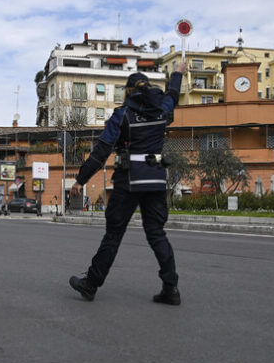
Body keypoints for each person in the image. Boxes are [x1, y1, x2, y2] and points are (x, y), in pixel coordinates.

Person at [69, 60, 188, 306]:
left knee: (113, 234)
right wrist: (177, 73)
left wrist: (81, 179)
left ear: (128, 91)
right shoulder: (162, 111)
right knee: (157, 234)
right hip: (156, 179)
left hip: (128, 180)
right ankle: (171, 288)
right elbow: (173, 95)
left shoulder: (122, 115)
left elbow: (101, 151)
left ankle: (90, 284)